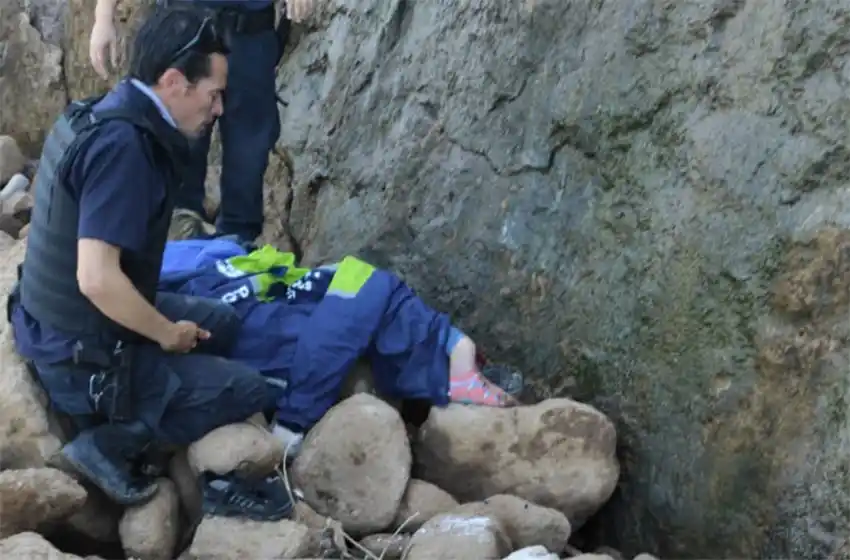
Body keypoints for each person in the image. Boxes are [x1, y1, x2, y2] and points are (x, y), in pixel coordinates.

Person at [7, 6, 287, 520]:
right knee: (250, 389)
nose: (220, 109)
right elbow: (95, 278)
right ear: (175, 80)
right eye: (214, 94)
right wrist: (163, 333)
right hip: (79, 356)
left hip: (65, 321)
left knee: (221, 323)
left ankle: (162, 389)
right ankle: (112, 441)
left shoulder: (105, 113)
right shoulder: (125, 149)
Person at [89, 0, 316, 244]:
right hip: (183, 30)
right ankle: (174, 252)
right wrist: (104, 17)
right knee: (174, 151)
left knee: (248, 160)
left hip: (250, 34)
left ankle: (233, 256)